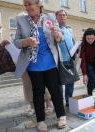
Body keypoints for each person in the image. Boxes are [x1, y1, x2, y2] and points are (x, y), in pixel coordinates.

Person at [14, 0, 66, 131]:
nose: (27, 7)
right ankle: (41, 121)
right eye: (25, 5)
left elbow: (60, 38)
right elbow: (16, 42)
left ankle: (61, 117)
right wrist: (26, 41)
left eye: (30, 4)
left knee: (55, 91)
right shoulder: (21, 20)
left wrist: (57, 35)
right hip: (33, 64)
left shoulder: (50, 17)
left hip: (50, 63)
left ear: (38, 4)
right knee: (38, 93)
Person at [1, 40, 54, 116]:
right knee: (27, 85)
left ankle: (48, 104)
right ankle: (32, 107)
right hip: (21, 62)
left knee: (41, 82)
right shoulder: (19, 31)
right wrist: (6, 44)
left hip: (34, 59)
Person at [56, 9, 75, 107]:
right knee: (59, 82)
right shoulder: (55, 29)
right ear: (56, 17)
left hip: (70, 59)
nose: (62, 17)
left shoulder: (69, 29)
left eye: (64, 15)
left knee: (70, 81)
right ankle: (60, 101)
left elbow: (72, 41)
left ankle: (68, 100)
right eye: (60, 15)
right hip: (59, 61)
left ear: (66, 17)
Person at [80, 28, 95, 96]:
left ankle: (89, 93)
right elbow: (83, 60)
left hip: (94, 62)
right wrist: (84, 74)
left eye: (92, 38)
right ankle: (90, 94)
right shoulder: (83, 45)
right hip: (86, 63)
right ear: (85, 37)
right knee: (92, 77)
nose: (90, 40)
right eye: (88, 38)